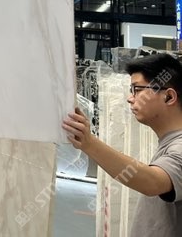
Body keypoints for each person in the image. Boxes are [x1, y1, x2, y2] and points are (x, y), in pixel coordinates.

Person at [62, 52, 182, 236]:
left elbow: (153, 182)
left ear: (169, 97)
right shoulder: (168, 143)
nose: (130, 98)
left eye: (137, 89)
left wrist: (89, 143)